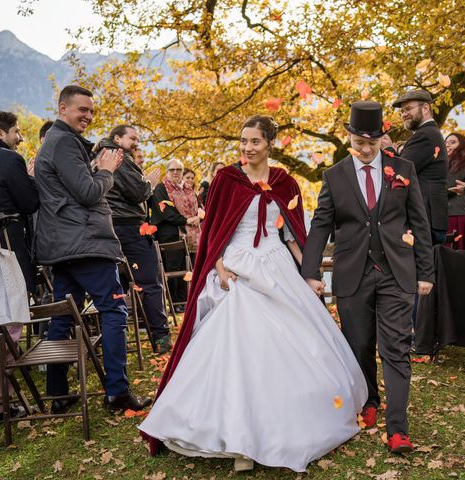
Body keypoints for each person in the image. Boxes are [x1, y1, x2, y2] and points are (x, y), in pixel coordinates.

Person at [139, 115, 367, 473]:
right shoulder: (226, 180)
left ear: (269, 144)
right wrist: (218, 268)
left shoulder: (286, 183)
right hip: (239, 266)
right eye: (243, 141)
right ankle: (237, 438)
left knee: (289, 343)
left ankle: (282, 425)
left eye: (255, 142)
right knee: (240, 345)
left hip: (275, 264)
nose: (247, 147)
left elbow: (291, 235)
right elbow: (215, 231)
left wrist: (308, 275)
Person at [302, 101, 434, 453]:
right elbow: (320, 226)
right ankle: (370, 399)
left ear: (381, 139)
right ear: (349, 138)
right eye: (358, 143)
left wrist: (426, 271)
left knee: (396, 348)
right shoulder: (334, 176)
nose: (364, 149)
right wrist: (310, 272)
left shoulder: (403, 169)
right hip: (352, 273)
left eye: (370, 144)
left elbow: (419, 222)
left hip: (396, 272)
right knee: (358, 344)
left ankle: (398, 428)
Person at [34, 85, 151, 413]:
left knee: (62, 317)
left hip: (66, 244)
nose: (87, 116)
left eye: (91, 111)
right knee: (114, 310)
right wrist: (106, 172)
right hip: (84, 242)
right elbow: (87, 192)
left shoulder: (58, 143)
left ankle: (57, 394)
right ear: (62, 108)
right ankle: (117, 392)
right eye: (81, 109)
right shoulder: (64, 144)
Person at [100, 125, 172, 353]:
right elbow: (138, 192)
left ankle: (118, 341)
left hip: (113, 227)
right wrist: (148, 182)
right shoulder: (116, 156)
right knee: (150, 282)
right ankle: (160, 337)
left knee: (118, 285)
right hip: (129, 228)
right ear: (118, 138)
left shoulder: (104, 155)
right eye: (132, 138)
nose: (136, 143)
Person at [0, 111, 39, 421]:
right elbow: (30, 203)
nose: (20, 137)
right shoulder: (9, 160)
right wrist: (30, 180)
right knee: (8, 327)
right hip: (3, 254)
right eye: (16, 132)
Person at [390, 89, 448, 245]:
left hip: (425, 217)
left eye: (408, 109)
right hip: (430, 217)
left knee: (422, 267)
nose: (403, 114)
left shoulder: (425, 135)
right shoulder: (430, 133)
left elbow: (400, 172)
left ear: (426, 108)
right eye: (402, 111)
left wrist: (389, 149)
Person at [150, 160, 201, 310]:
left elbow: (197, 206)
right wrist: (186, 220)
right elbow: (165, 212)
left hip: (192, 235)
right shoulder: (161, 188)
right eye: (172, 169)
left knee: (189, 268)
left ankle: (186, 301)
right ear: (167, 171)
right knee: (174, 269)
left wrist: (198, 216)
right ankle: (174, 303)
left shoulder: (188, 188)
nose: (175, 172)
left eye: (179, 169)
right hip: (170, 234)